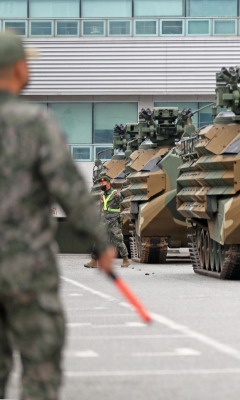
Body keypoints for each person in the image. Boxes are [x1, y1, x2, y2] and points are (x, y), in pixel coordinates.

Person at [0, 32, 116, 400]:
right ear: (18, 67)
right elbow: (70, 190)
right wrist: (102, 243)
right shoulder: (34, 123)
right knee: (40, 371)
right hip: (25, 271)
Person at [85, 175, 130, 268]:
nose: (101, 184)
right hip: (103, 221)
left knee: (118, 240)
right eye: (101, 183)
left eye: (103, 183)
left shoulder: (114, 193)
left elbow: (120, 199)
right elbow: (102, 208)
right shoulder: (102, 194)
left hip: (113, 221)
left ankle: (125, 259)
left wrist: (118, 196)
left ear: (108, 184)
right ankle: (94, 261)